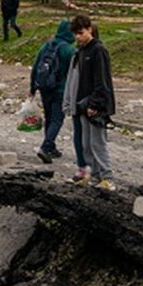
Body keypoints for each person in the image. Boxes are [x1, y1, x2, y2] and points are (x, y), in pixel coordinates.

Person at [62, 15, 115, 189]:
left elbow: (102, 81)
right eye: (75, 34)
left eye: (80, 33)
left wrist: (95, 104)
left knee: (97, 143)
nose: (77, 37)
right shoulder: (81, 51)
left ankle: (108, 178)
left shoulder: (98, 50)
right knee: (86, 144)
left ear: (89, 29)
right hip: (84, 105)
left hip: (95, 106)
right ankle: (96, 176)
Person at [30, 19, 77, 164]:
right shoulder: (70, 50)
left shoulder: (47, 45)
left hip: (45, 87)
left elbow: (36, 65)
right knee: (57, 119)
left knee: (49, 117)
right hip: (61, 89)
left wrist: (33, 87)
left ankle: (51, 146)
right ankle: (45, 147)